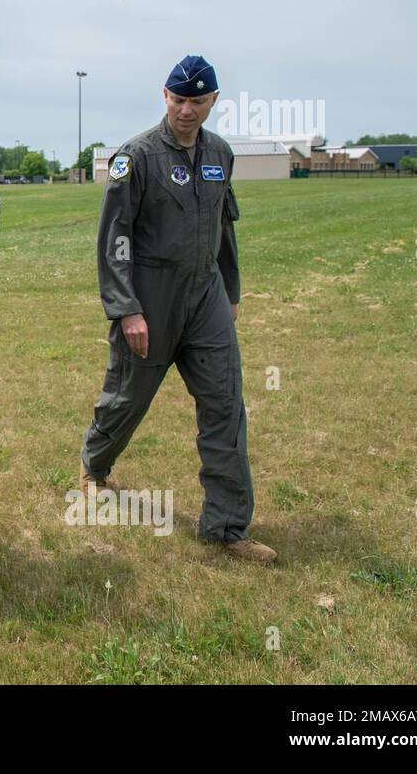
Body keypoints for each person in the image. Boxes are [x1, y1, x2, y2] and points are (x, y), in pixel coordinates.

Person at [77, 55, 275, 564]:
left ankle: (227, 527)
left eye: (198, 100)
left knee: (225, 404)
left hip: (205, 293)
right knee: (127, 397)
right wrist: (126, 309)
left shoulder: (221, 154)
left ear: (213, 101)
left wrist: (229, 292)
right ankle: (94, 467)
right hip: (150, 295)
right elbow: (114, 237)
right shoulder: (136, 157)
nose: (187, 109)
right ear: (164, 96)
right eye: (178, 98)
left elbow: (224, 227)